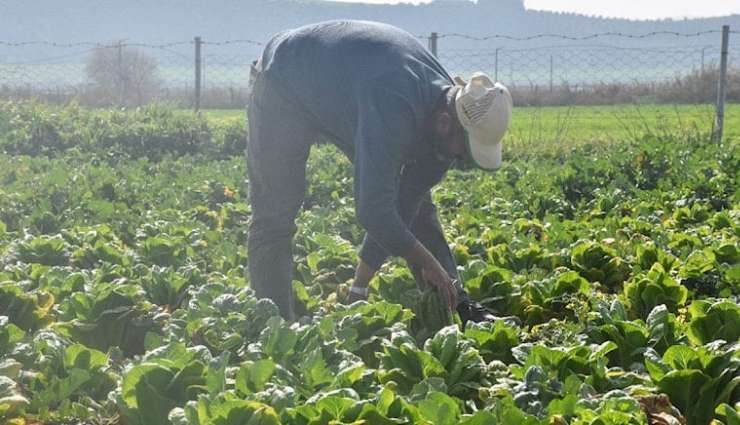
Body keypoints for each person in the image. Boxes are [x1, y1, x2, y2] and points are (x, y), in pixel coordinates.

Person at [247, 20, 513, 323]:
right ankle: (274, 329)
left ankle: (457, 306)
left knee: (419, 210)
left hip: (343, 92)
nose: (459, 159)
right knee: (275, 212)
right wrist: (425, 260)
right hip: (284, 80)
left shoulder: (448, 112)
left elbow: (405, 205)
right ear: (444, 122)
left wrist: (359, 287)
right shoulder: (394, 103)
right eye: (463, 150)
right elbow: (374, 210)